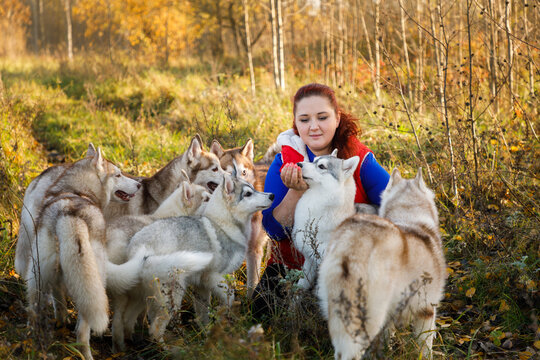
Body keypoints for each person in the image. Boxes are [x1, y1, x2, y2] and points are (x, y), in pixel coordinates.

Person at [251, 83, 390, 320]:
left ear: (337, 118)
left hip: (349, 265)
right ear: (295, 123)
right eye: (304, 120)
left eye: (322, 117)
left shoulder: (357, 159)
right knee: (261, 313)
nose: (314, 127)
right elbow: (274, 232)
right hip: (292, 266)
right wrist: (296, 192)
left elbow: (395, 202)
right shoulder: (285, 161)